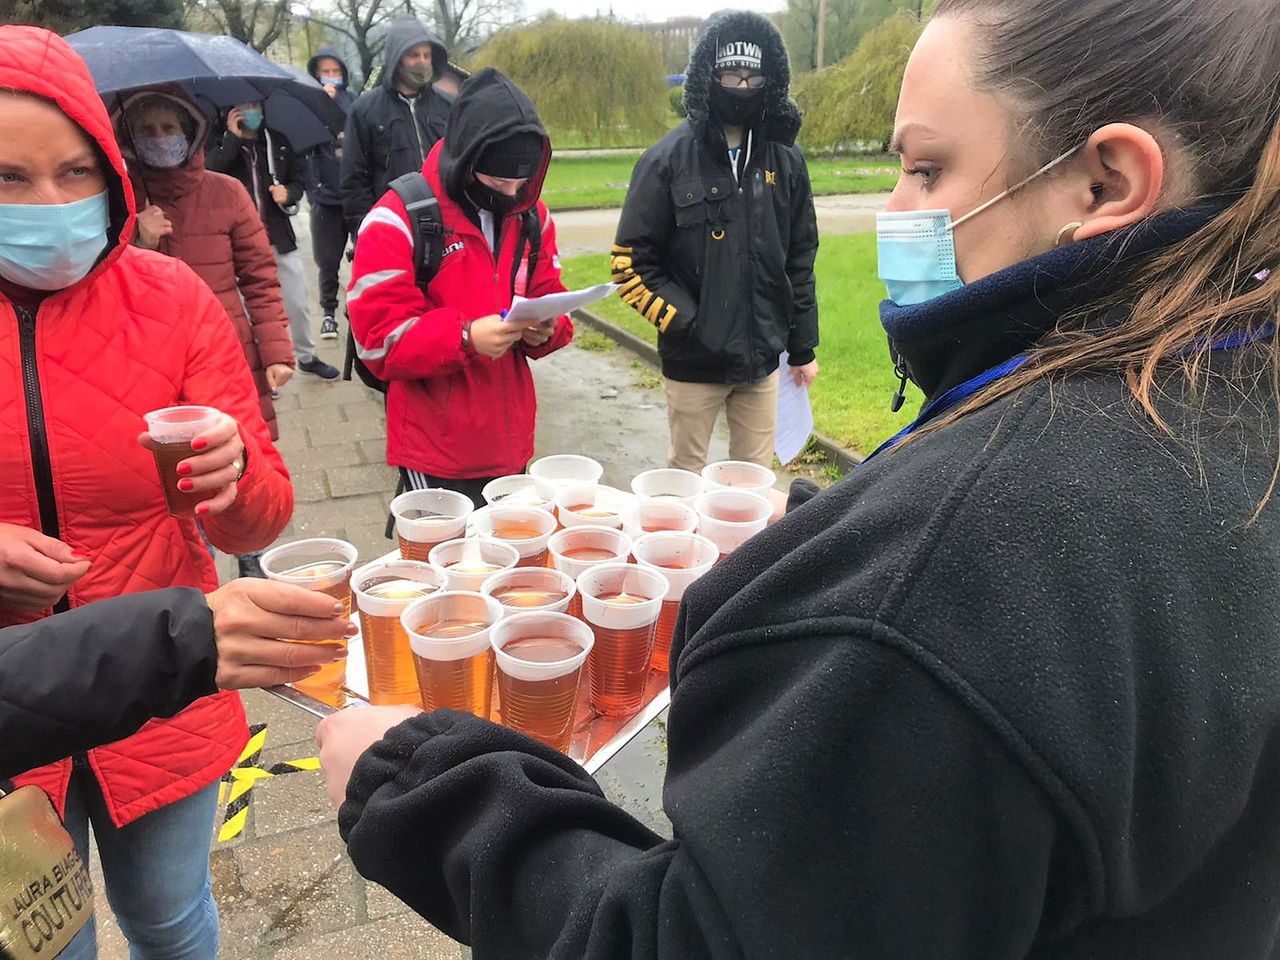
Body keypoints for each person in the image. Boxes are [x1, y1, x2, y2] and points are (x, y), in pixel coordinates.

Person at [318, 0, 1280, 956]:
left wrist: (417, 795)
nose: (898, 208)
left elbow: (694, 936)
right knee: (694, 478)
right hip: (626, 387)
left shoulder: (964, 557)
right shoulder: (1226, 406)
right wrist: (837, 519)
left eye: (926, 167)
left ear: (1108, 183)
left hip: (758, 364)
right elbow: (606, 267)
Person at [0, 25, 294, 960]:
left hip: (163, 679)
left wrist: (236, 474)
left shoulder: (170, 300)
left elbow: (267, 512)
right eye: (8, 177)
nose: (49, 201)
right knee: (48, 947)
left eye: (74, 171)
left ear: (109, 171)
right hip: (11, 714)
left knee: (169, 919)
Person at [346, 68, 573, 508]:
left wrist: (548, 329)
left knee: (507, 565)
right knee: (443, 570)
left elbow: (552, 295)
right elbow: (377, 342)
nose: (510, 192)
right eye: (498, 180)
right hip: (436, 449)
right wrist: (466, 337)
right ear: (466, 159)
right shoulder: (397, 219)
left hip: (511, 442)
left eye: (520, 182)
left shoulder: (531, 216)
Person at [613, 11, 819, 473]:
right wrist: (692, 323)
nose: (741, 87)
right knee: (681, 484)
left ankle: (744, 551)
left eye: (752, 77)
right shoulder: (665, 160)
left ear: (770, 80)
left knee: (753, 483)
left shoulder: (785, 159)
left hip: (763, 362)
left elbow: (801, 257)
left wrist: (802, 348)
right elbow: (629, 266)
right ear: (709, 74)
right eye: (730, 74)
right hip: (693, 362)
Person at [120, 89, 296, 579]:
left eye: (168, 128)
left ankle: (251, 569)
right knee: (172, 480)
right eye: (146, 130)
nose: (159, 140)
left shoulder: (227, 192)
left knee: (239, 471)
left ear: (190, 130)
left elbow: (260, 276)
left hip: (226, 360)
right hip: (143, 367)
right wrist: (137, 236)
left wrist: (276, 349)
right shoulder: (119, 198)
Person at [0, 578, 353, 780]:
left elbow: (257, 521)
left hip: (174, 725)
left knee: (174, 903)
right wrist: (179, 639)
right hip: (28, 766)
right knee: (44, 904)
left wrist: (239, 470)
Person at [206, 99, 341, 381]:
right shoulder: (218, 140)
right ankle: (260, 369)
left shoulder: (276, 141)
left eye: (256, 105)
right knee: (246, 308)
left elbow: (300, 180)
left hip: (277, 235)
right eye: (245, 106)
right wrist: (231, 138)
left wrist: (288, 193)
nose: (251, 111)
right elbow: (207, 174)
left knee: (297, 300)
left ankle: (306, 356)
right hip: (235, 241)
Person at [340, 18, 452, 236]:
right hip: (394, 225)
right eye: (413, 55)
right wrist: (366, 230)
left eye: (426, 55)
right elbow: (354, 180)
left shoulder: (449, 106)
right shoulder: (364, 110)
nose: (422, 61)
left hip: (447, 223)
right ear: (397, 59)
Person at [305, 47, 357, 341]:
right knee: (328, 261)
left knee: (365, 256)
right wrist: (313, 192)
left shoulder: (353, 101)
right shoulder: (309, 104)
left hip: (354, 196)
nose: (331, 76)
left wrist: (336, 102)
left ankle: (362, 309)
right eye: (325, 71)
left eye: (336, 71)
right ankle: (328, 313)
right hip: (325, 200)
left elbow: (354, 127)